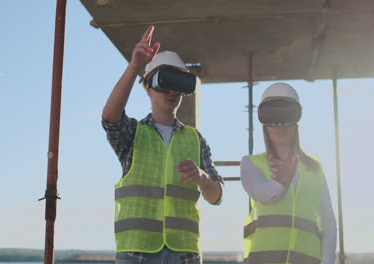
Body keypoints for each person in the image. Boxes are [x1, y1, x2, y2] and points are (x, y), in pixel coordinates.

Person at [101, 25, 223, 264]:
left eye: (177, 85)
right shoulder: (133, 134)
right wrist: (134, 67)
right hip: (137, 253)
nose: (171, 93)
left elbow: (216, 196)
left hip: (184, 254)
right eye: (163, 84)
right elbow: (110, 118)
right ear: (148, 89)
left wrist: (201, 176)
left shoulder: (195, 139)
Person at [240, 82, 337, 264]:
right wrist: (281, 182)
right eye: (272, 118)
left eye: (286, 117)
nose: (279, 126)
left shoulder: (315, 168)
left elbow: (328, 222)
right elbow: (263, 194)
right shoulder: (250, 164)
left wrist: (327, 261)